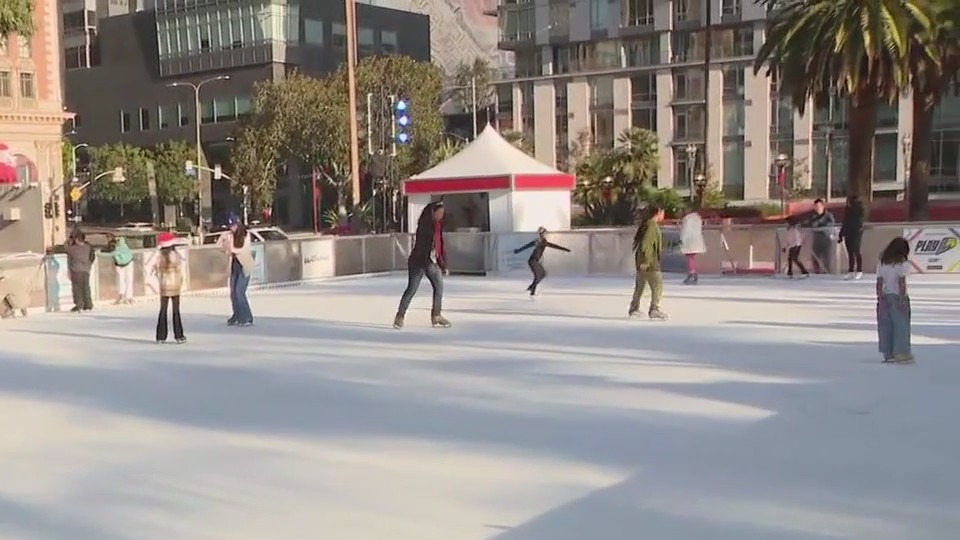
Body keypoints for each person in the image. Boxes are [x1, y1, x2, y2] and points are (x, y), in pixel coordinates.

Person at [394, 201, 450, 329]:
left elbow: (440, 247)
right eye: (439, 212)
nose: (441, 215)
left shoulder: (438, 227)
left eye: (443, 213)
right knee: (412, 289)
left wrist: (443, 265)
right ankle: (400, 316)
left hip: (429, 262)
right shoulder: (425, 226)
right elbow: (423, 247)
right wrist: (428, 262)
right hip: (418, 262)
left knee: (439, 286)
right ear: (433, 212)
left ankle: (436, 315)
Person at [876, 237, 913, 363]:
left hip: (885, 296)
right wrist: (902, 299)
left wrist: (880, 297)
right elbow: (901, 282)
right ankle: (901, 353)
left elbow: (879, 282)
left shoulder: (882, 262)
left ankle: (888, 352)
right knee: (901, 325)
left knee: (885, 325)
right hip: (897, 296)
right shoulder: (902, 263)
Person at [628, 205, 667, 320]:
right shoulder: (652, 226)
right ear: (657, 213)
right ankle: (654, 309)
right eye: (662, 212)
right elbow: (647, 244)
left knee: (640, 287)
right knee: (657, 286)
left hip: (642, 261)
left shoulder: (647, 225)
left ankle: (634, 309)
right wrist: (646, 261)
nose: (663, 215)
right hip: (650, 262)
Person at [514, 226, 571, 296]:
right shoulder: (541, 241)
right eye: (544, 233)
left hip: (534, 261)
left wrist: (518, 250)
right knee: (540, 275)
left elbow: (526, 246)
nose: (545, 235)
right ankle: (532, 288)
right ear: (542, 234)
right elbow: (554, 246)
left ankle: (532, 289)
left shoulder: (539, 241)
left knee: (541, 275)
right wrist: (565, 249)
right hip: (533, 261)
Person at [221, 216, 256, 326]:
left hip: (245, 265)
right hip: (235, 266)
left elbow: (245, 249)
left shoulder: (246, 235)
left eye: (234, 226)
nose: (232, 228)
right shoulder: (230, 236)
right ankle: (237, 314)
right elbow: (224, 249)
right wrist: (225, 244)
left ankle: (247, 316)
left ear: (238, 225)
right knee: (233, 292)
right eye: (230, 226)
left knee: (239, 291)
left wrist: (233, 250)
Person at [155, 232, 186, 344]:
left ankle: (160, 336)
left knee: (163, 310)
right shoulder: (175, 256)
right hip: (175, 285)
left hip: (164, 286)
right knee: (175, 311)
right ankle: (179, 335)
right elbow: (180, 271)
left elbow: (156, 271)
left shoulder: (159, 257)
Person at [65, 231, 95, 312]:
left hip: (76, 270)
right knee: (86, 287)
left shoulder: (73, 249)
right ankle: (88, 304)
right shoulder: (87, 248)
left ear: (77, 239)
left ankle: (79, 304)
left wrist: (69, 242)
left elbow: (66, 249)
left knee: (77, 288)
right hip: (86, 270)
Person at [805, 198, 836, 274]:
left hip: (826, 239)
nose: (817, 208)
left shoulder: (828, 215)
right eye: (815, 206)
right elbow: (811, 224)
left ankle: (827, 272)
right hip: (817, 239)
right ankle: (817, 272)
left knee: (827, 257)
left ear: (823, 206)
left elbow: (831, 224)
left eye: (818, 206)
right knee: (815, 257)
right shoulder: (813, 216)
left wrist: (820, 223)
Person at [839, 195, 865, 280]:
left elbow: (858, 221)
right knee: (850, 252)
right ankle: (850, 271)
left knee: (856, 251)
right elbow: (845, 222)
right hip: (848, 233)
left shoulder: (859, 210)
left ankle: (859, 270)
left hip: (856, 233)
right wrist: (841, 234)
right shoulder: (847, 210)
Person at [679, 208, 705, 284]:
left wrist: (682, 240)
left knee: (690, 257)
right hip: (696, 239)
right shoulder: (698, 218)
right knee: (692, 257)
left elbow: (685, 231)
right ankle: (692, 273)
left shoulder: (687, 219)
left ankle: (692, 273)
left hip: (689, 241)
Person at [110, 235, 135, 304]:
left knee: (127, 279)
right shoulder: (116, 247)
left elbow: (121, 240)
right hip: (123, 263)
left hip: (127, 261)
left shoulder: (120, 243)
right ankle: (123, 295)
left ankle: (128, 296)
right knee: (122, 279)